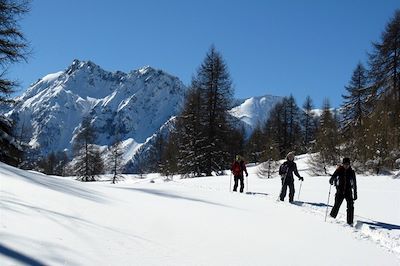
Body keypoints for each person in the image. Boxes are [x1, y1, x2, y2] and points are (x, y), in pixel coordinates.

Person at [329, 157, 357, 225]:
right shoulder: (339, 170)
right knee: (337, 205)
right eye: (345, 164)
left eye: (347, 164)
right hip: (340, 191)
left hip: (348, 191)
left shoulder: (352, 172)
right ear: (343, 164)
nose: (346, 166)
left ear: (349, 164)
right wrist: (331, 180)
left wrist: (355, 193)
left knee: (350, 206)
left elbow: (354, 183)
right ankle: (331, 218)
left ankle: (350, 222)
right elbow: (333, 177)